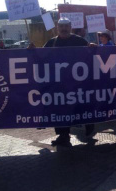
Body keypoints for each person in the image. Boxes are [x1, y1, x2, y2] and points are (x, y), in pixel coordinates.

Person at [38, 17, 96, 147]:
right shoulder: (52, 42)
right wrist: (32, 50)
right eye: (61, 26)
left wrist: (92, 47)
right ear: (57, 28)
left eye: (66, 26)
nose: (64, 29)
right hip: (59, 85)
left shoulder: (79, 40)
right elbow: (41, 56)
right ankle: (63, 135)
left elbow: (91, 53)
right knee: (59, 109)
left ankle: (89, 123)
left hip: (77, 83)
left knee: (81, 106)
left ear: (70, 27)